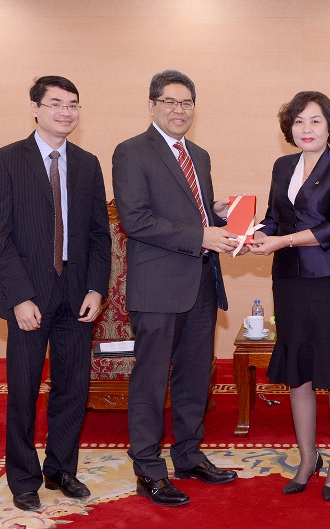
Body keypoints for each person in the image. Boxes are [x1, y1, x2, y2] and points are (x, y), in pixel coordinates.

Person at [112, 69, 240, 508]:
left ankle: (188, 455)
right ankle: (148, 469)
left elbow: (192, 214)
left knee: (194, 376)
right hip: (158, 288)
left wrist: (217, 214)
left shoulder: (198, 155)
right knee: (151, 381)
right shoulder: (131, 151)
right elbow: (136, 220)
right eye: (169, 101)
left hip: (201, 282)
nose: (179, 110)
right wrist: (202, 234)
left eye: (186, 102)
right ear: (152, 105)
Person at [0, 76, 111, 512]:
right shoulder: (5, 160)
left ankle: (61, 469)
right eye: (56, 103)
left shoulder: (88, 163)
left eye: (73, 104)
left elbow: (99, 234)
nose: (65, 112)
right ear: (35, 108)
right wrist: (19, 296)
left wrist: (96, 288)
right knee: (23, 392)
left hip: (77, 293)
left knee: (73, 389)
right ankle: (23, 478)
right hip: (28, 294)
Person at [250, 91, 330, 501]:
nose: (306, 128)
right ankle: (306, 457)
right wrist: (250, 235)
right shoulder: (283, 166)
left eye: (315, 120)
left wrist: (281, 241)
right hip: (289, 281)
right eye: (298, 121)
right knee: (297, 368)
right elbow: (274, 218)